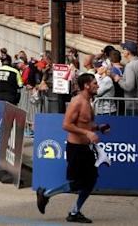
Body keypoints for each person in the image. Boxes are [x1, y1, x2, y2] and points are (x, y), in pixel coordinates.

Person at [35, 73, 110, 223]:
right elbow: (66, 125)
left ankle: (75, 212)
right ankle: (46, 194)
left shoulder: (88, 102)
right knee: (77, 183)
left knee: (91, 181)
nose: (98, 85)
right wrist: (87, 132)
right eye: (95, 83)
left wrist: (97, 127)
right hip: (76, 148)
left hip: (85, 148)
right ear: (87, 85)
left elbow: (85, 123)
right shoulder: (77, 101)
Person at [115, 41, 138, 116]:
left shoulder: (130, 66)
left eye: (123, 49)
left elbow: (129, 87)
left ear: (128, 52)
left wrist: (119, 80)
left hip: (133, 105)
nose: (122, 51)